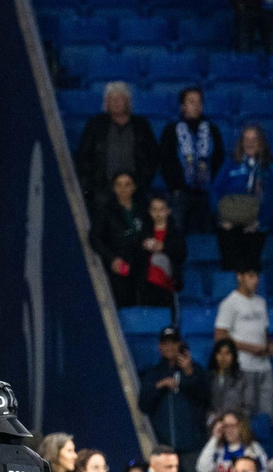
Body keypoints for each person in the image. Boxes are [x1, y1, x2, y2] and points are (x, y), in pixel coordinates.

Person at [75, 82, 159, 206]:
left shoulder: (141, 125)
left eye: (119, 98)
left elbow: (152, 157)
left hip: (135, 193)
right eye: (111, 99)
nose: (115, 102)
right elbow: (83, 156)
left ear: (127, 101)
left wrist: (141, 184)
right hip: (101, 192)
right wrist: (90, 186)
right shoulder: (95, 125)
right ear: (106, 102)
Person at [157, 87, 226, 234]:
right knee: (176, 233)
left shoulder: (212, 130)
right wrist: (176, 185)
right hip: (180, 192)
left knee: (210, 232)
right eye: (191, 102)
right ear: (183, 106)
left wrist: (211, 183)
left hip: (206, 192)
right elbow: (165, 160)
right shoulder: (171, 130)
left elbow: (219, 158)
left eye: (199, 102)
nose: (196, 106)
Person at [139, 329, 210, 470]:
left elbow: (205, 399)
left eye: (173, 342)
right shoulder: (153, 374)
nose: (169, 347)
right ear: (159, 347)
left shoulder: (196, 370)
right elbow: (143, 404)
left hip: (192, 446)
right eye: (165, 343)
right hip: (163, 448)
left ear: (180, 344)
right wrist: (160, 386)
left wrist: (189, 373)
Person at [214, 269, 273, 419]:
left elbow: (264, 332)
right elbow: (220, 337)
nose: (255, 281)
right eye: (250, 276)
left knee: (267, 416)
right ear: (239, 276)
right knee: (244, 416)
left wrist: (270, 345)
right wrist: (250, 348)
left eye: (257, 276)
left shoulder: (261, 302)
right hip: (243, 367)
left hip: (264, 366)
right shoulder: (229, 303)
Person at [211, 124, 273, 273]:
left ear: (261, 143)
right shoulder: (230, 165)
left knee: (251, 268)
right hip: (230, 225)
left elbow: (271, 200)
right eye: (246, 139)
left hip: (254, 226)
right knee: (231, 266)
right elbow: (215, 190)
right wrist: (221, 218)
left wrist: (260, 223)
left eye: (254, 139)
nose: (249, 143)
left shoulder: (265, 170)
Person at [91, 173, 150, 308]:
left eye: (127, 184)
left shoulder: (142, 209)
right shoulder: (106, 211)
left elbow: (148, 232)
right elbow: (95, 238)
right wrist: (112, 258)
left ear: (134, 187)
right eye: (119, 185)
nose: (123, 189)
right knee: (123, 304)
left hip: (140, 264)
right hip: (119, 266)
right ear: (114, 188)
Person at [206, 339, 255, 424]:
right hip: (213, 425)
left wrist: (232, 418)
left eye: (227, 353)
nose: (223, 357)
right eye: (219, 353)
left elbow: (249, 408)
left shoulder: (244, 378)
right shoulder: (207, 378)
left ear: (233, 355)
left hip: (238, 424)